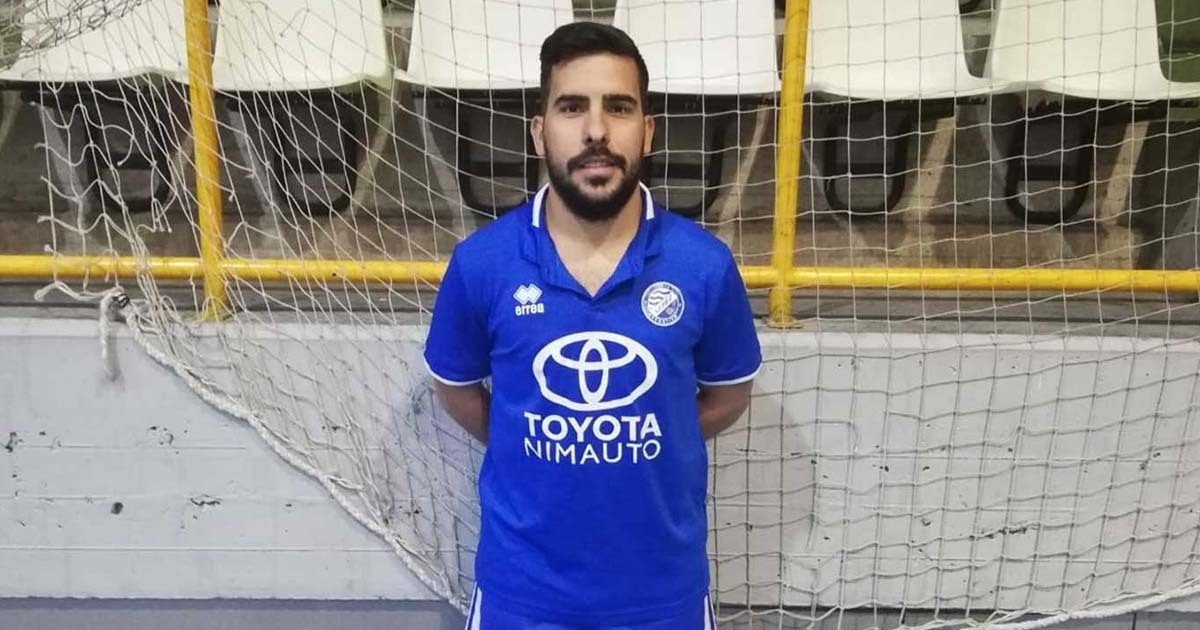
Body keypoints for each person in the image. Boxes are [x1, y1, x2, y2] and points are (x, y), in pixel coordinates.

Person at [424, 21, 762, 630]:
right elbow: (456, 391)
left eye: (619, 107)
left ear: (648, 131)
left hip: (663, 598)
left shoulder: (704, 266)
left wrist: (658, 430)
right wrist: (524, 434)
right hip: (521, 598)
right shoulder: (482, 264)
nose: (597, 131)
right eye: (572, 106)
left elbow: (729, 395)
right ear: (539, 132)